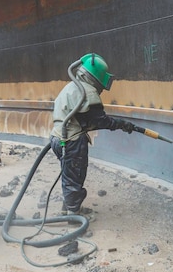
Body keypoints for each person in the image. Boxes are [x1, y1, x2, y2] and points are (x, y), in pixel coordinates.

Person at [50, 53, 135, 216]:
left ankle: (68, 208)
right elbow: (100, 121)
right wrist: (122, 124)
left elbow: (83, 118)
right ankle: (74, 217)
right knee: (75, 176)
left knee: (69, 174)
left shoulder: (72, 87)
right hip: (71, 141)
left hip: (57, 138)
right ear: (98, 78)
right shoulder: (87, 92)